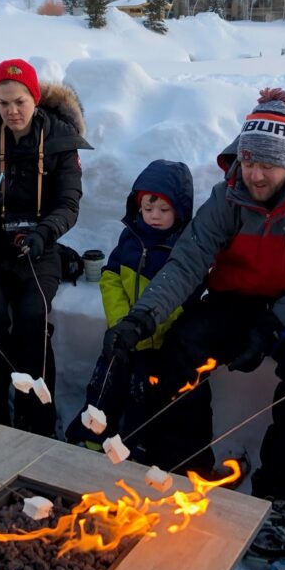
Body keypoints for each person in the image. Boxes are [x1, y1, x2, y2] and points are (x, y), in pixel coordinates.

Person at [105, 88, 285, 562]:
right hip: (235, 298)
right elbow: (187, 263)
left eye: (268, 165)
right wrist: (142, 317)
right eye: (248, 161)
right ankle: (186, 465)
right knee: (182, 343)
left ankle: (282, 496)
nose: (255, 175)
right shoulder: (228, 196)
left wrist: (271, 328)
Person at [0, 59, 91, 438]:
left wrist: (45, 233)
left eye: (20, 101)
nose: (12, 111)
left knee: (32, 318)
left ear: (35, 98)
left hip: (37, 247)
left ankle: (38, 421)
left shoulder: (59, 137)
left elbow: (69, 203)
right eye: (4, 102)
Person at [64, 159, 195, 451]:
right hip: (122, 334)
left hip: (155, 343)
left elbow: (182, 299)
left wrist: (148, 330)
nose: (154, 217)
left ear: (180, 210)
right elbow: (110, 278)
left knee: (143, 393)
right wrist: (121, 322)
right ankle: (91, 437)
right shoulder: (131, 237)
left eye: (164, 210)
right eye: (148, 209)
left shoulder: (182, 249)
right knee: (104, 383)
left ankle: (136, 446)